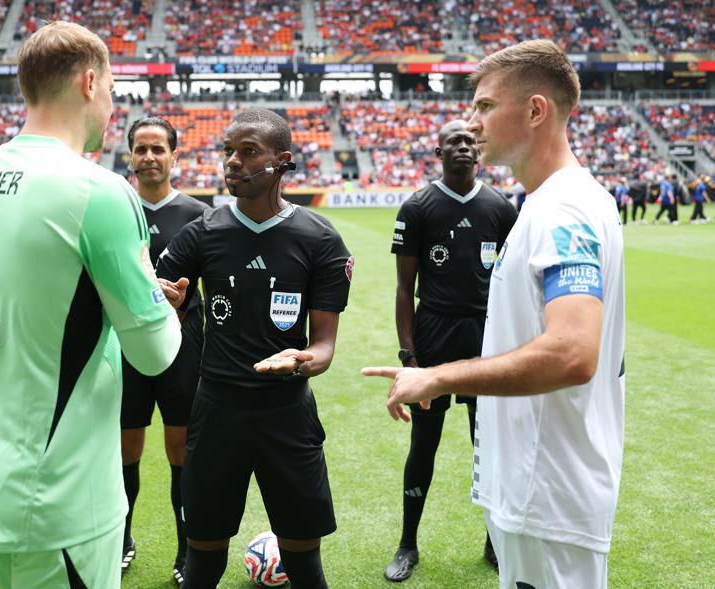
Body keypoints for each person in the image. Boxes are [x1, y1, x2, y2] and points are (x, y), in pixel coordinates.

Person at [0, 22, 181, 589]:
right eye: (111, 87)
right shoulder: (98, 192)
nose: (111, 104)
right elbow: (156, 354)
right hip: (64, 501)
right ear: (87, 81)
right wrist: (147, 279)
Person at [364, 40, 625, 589]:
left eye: (484, 107)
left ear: (535, 111)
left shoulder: (563, 210)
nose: (472, 123)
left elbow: (574, 352)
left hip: (548, 494)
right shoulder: (551, 204)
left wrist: (438, 374)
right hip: (536, 492)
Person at [157, 108, 353, 589]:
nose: (232, 162)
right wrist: (167, 305)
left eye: (248, 152)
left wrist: (308, 360)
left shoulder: (320, 238)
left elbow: (324, 343)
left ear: (282, 161)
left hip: (287, 416)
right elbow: (156, 300)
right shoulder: (203, 232)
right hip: (216, 412)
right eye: (228, 151)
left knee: (305, 565)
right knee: (202, 564)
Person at [385, 120, 517, 582]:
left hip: (487, 339)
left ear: (478, 150)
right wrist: (409, 356)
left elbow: (516, 282)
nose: (462, 147)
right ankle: (407, 545)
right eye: (453, 142)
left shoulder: (500, 207)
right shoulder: (419, 207)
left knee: (490, 446)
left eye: (468, 141)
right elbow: (405, 288)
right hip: (434, 336)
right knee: (424, 445)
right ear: (438, 151)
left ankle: (494, 541)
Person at [120, 116, 208, 584]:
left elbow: (216, 289)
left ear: (175, 156)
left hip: (183, 344)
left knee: (181, 450)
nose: (149, 157)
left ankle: (185, 549)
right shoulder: (114, 208)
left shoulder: (198, 214)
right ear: (129, 155)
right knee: (125, 447)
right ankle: (122, 539)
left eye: (159, 149)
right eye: (141, 149)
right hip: (123, 345)